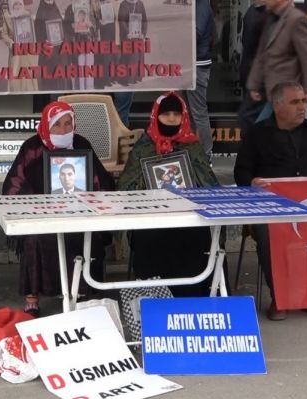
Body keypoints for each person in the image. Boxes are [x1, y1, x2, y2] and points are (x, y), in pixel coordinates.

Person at [233, 81, 307, 322]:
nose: (302, 107)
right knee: (267, 234)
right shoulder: (257, 134)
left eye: (303, 101)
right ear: (277, 106)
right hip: (272, 209)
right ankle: (281, 297)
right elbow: (241, 172)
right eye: (295, 102)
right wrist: (252, 182)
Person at [2, 101, 115, 316]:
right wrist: (39, 204)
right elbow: (15, 184)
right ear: (47, 125)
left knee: (88, 234)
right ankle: (32, 295)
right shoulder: (32, 148)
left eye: (67, 124)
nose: (63, 130)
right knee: (35, 236)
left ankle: (81, 291)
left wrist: (89, 199)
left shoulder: (81, 143)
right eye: (57, 125)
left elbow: (99, 180)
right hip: (41, 214)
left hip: (78, 213)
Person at [118, 92, 222, 297]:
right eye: (166, 114)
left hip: (188, 217)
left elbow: (208, 183)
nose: (172, 119)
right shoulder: (143, 147)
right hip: (152, 217)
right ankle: (155, 298)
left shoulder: (193, 145)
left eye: (176, 114)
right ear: (156, 116)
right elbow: (125, 186)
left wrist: (193, 192)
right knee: (149, 237)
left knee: (197, 236)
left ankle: (193, 296)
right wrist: (149, 193)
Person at [247, 0, 307, 122]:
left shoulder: (296, 19)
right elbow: (262, 54)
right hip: (273, 92)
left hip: (287, 93)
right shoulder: (271, 19)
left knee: (264, 129)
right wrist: (254, 83)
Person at [184, 0, 215, 162]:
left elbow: (195, 33)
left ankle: (206, 155)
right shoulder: (194, 4)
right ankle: (194, 152)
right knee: (189, 113)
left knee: (198, 113)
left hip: (197, 65)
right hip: (188, 64)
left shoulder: (201, 4)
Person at [237, 0, 267, 136]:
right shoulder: (261, 15)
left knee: (250, 116)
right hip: (258, 76)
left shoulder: (252, 12)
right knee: (252, 116)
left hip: (253, 73)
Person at [0, 0, 39, 92]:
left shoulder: (27, 14)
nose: (17, 6)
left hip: (27, 51)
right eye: (15, 4)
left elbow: (32, 33)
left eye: (19, 4)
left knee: (29, 75)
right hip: (15, 52)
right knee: (15, 75)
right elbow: (4, 34)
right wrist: (11, 42)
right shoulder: (7, 15)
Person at [34, 0, 72, 91]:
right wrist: (44, 41)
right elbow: (38, 32)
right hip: (49, 51)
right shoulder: (41, 12)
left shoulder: (55, 8)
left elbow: (62, 27)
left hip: (60, 49)